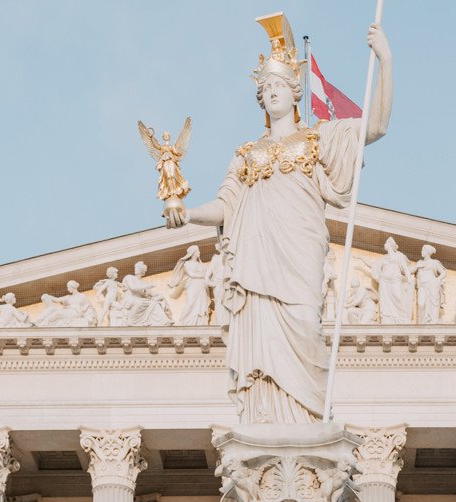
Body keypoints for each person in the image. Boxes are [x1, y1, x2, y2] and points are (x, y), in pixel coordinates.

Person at [165, 22, 392, 422]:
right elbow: (226, 205)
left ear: (295, 92)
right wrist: (188, 214)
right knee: (262, 348)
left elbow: (375, 126)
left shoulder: (318, 140)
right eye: (266, 88)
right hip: (257, 264)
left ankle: (308, 422)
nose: (272, 93)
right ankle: (268, 422)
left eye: (279, 86)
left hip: (300, 254)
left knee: (306, 326)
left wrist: (385, 60)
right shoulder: (247, 154)